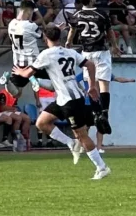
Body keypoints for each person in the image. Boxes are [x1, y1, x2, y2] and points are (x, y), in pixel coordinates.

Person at [13, 25, 110, 180]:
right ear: (60, 37)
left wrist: (19, 72)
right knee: (41, 123)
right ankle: (71, 143)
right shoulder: (70, 52)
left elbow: (27, 73)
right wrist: (92, 86)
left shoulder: (46, 54)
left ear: (45, 38)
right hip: (64, 99)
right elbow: (90, 65)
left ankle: (102, 167)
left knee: (81, 135)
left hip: (71, 101)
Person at [66, 0, 120, 139]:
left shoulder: (76, 15)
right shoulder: (101, 14)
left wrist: (68, 43)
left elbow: (72, 31)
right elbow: (109, 32)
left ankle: (96, 113)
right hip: (101, 52)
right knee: (104, 85)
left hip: (86, 53)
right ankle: (104, 114)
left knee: (92, 85)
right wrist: (115, 46)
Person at [75, 71, 135, 152]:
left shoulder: (103, 71)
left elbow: (116, 78)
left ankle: (99, 147)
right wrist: (83, 90)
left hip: (100, 103)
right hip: (88, 103)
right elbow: (75, 80)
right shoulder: (86, 71)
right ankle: (83, 145)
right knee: (86, 126)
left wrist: (128, 80)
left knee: (101, 125)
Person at [1, 0, 48, 94]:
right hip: (34, 63)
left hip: (18, 64)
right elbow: (45, 38)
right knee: (53, 81)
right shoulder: (30, 26)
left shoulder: (11, 23)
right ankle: (35, 79)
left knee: (16, 93)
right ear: (29, 11)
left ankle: (7, 81)